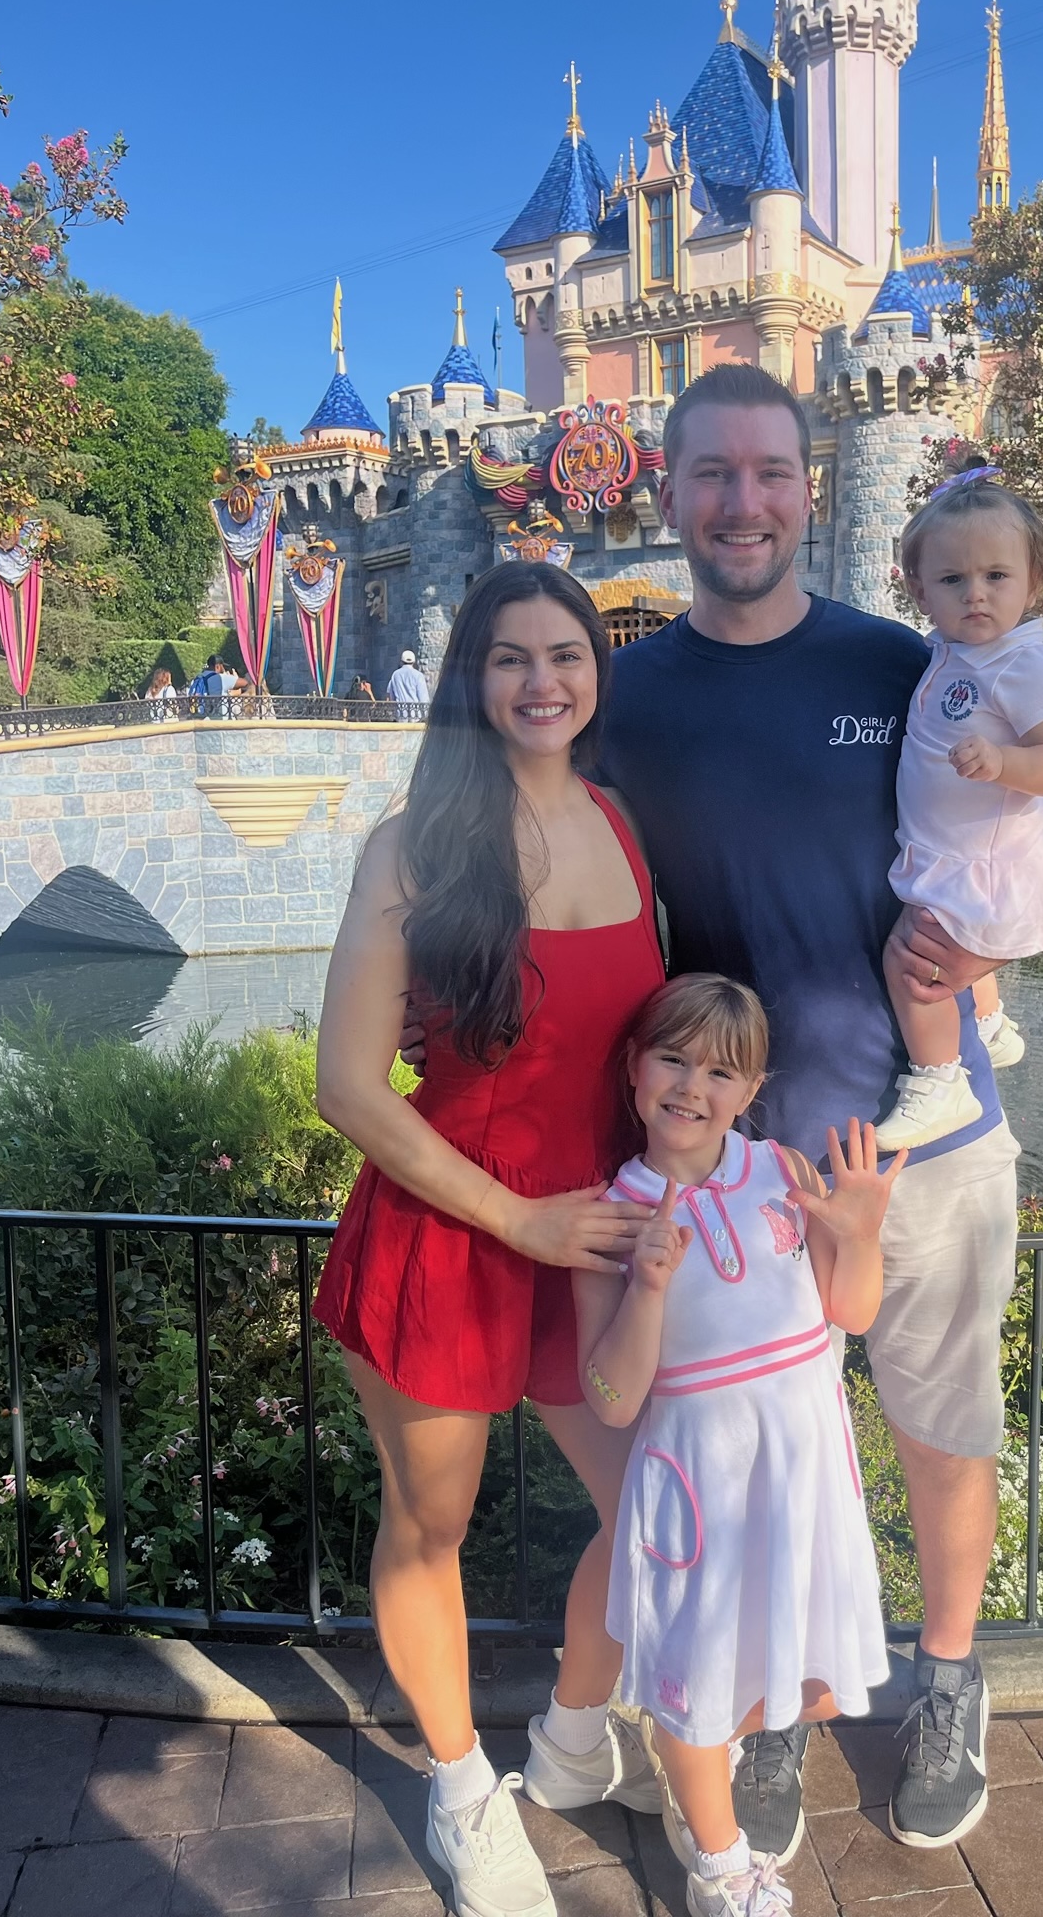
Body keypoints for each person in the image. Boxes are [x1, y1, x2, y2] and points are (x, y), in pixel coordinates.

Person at [406, 367, 1027, 1853]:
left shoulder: (901, 666)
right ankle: (759, 1710)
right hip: (727, 1167)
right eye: (712, 476)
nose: (742, 504)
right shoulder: (633, 699)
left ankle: (944, 1679)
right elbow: (556, 863)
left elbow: (1005, 825)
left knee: (938, 1424)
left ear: (811, 485)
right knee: (748, 1462)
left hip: (916, 1127)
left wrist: (994, 958)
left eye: (770, 473)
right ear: (669, 492)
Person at [313, 561, 668, 1917]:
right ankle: (462, 1788)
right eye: (509, 657)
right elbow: (349, 1084)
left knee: (656, 1508)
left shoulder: (622, 827)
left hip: (596, 1233)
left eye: (564, 654)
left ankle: (572, 1741)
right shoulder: (412, 846)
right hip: (457, 1224)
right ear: (471, 679)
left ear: (595, 672)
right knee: (432, 1520)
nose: (540, 681)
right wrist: (516, 1214)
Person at [576, 974, 901, 1917]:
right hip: (702, 1481)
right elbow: (609, 1397)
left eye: (722, 1070)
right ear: (636, 1070)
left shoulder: (785, 1173)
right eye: (673, 1058)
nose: (692, 1087)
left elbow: (852, 1309)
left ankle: (694, 1762)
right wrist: (646, 1289)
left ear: (752, 1090)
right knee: (700, 1679)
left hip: (802, 1472)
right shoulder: (615, 1215)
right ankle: (720, 1863)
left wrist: (863, 1230)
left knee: (802, 1675)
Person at [872, 480, 1043, 1151]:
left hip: (980, 862)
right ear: (918, 588)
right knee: (934, 950)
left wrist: (1001, 762)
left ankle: (941, 1081)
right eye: (953, 578)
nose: (976, 594)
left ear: (1034, 580)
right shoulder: (955, 651)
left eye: (996, 575)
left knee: (912, 961)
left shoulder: (1024, 664)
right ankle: (989, 1024)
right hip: (950, 848)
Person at [388, 648, 431, 717]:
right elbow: (423, 697)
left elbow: (392, 695)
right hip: (416, 714)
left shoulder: (395, 675)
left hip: (401, 714)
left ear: (402, 661)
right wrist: (426, 715)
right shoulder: (418, 675)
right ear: (414, 661)